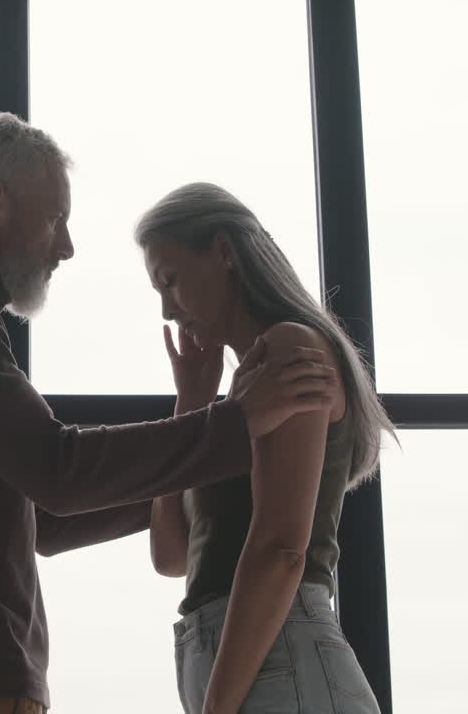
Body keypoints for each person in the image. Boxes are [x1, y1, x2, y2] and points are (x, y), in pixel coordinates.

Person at [0, 113, 341, 714]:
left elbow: (44, 521)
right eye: (55, 218)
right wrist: (235, 424)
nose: (66, 246)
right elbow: (59, 472)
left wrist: (207, 458)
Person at [139, 182, 394, 713]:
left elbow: (281, 550)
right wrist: (190, 405)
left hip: (277, 656)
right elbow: (171, 556)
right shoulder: (247, 399)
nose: (166, 309)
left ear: (223, 252)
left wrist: (217, 708)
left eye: (170, 280)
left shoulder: (290, 349)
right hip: (252, 661)